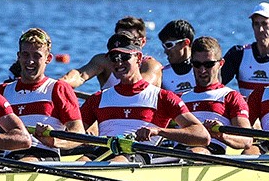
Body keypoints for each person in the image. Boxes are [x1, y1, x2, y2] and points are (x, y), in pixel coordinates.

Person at [56, 33, 209, 161]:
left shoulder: (163, 97)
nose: (119, 62)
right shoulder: (98, 99)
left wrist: (159, 131)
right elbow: (75, 134)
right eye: (114, 58)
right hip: (103, 151)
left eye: (124, 57)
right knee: (82, 161)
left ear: (138, 57)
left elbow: (201, 136)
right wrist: (53, 140)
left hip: (138, 154)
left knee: (117, 161)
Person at [0, 28, 85, 161]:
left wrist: (54, 141)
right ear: (18, 56)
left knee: (22, 162)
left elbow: (78, 134)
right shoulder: (2, 91)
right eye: (25, 55)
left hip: (44, 154)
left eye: (36, 56)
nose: (30, 61)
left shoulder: (59, 89)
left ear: (48, 58)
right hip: (12, 156)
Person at [178, 36, 255, 154]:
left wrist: (222, 136)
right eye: (197, 64)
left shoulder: (230, 96)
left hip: (210, 150)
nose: (202, 70)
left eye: (208, 64)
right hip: (179, 149)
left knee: (195, 153)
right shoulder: (181, 97)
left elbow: (247, 140)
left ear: (221, 64)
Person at [57, 16, 164, 89]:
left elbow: (139, 88)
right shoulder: (104, 61)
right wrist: (61, 84)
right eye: (121, 37)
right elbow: (80, 76)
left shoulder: (151, 66)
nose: (123, 42)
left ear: (143, 41)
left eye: (130, 39)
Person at [222, 2, 269, 95]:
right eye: (256, 24)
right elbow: (215, 85)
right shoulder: (238, 54)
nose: (260, 29)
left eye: (265, 24)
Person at [156, 19, 196, 94]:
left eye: (169, 45)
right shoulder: (161, 75)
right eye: (163, 46)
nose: (165, 51)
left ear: (185, 43)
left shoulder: (203, 70)